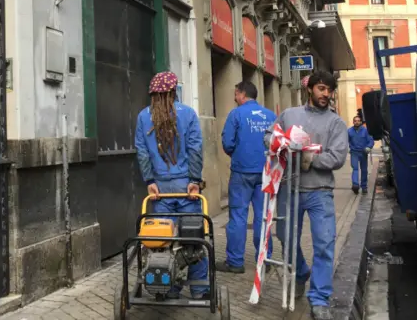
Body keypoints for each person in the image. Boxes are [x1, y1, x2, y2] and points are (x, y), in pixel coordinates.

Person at [265, 70, 348, 320]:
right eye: (321, 88)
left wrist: (310, 158)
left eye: (329, 90)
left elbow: (338, 156)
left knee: (324, 244)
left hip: (320, 192)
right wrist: (280, 143)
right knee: (285, 238)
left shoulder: (336, 123)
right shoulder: (290, 115)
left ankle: (319, 299)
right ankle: (301, 273)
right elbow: (268, 136)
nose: (326, 94)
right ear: (310, 89)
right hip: (289, 189)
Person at [134, 71, 208, 300]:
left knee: (163, 241)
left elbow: (143, 152)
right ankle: (199, 289)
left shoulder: (143, 117)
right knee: (193, 239)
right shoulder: (188, 114)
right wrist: (195, 181)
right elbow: (195, 148)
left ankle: (169, 287)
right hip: (186, 187)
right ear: (174, 91)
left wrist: (150, 182)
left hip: (161, 191)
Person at [216, 81, 275, 274]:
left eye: (235, 94)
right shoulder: (270, 116)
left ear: (242, 94)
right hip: (266, 172)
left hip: (242, 172)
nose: (234, 98)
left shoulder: (236, 114)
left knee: (238, 216)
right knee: (263, 216)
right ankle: (265, 259)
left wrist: (239, 153)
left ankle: (235, 262)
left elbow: (227, 143)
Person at [348, 115, 374, 195]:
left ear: (361, 122)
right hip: (354, 152)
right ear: (353, 122)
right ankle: (355, 185)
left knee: (364, 170)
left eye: (358, 120)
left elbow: (370, 140)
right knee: (355, 168)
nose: (357, 122)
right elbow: (345, 140)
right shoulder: (349, 131)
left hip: (363, 152)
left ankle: (364, 187)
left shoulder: (366, 131)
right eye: (355, 120)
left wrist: (368, 147)